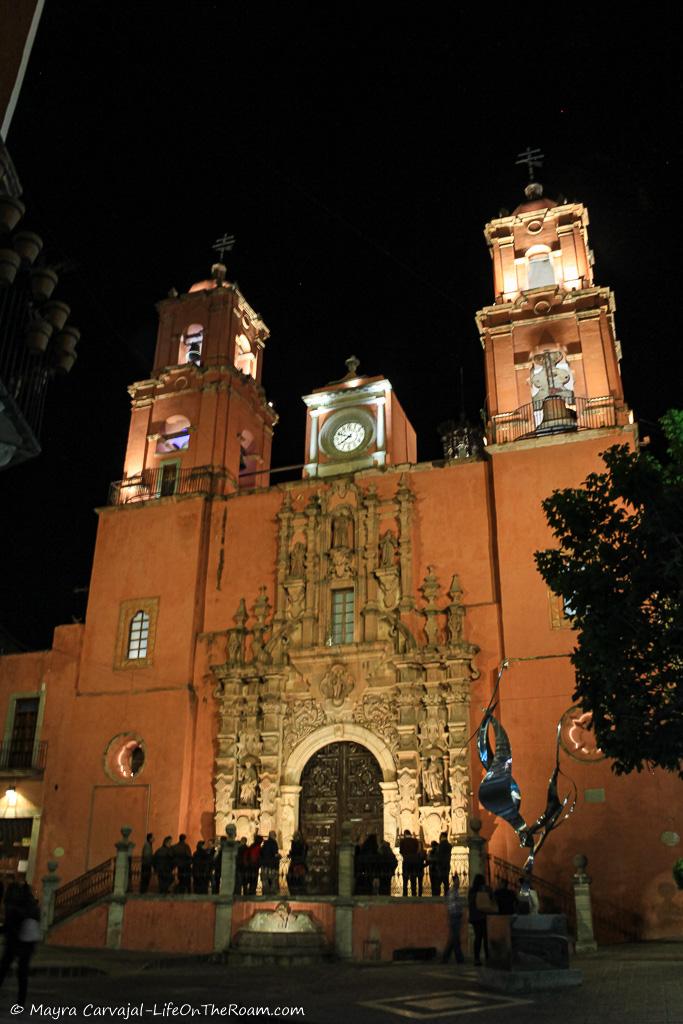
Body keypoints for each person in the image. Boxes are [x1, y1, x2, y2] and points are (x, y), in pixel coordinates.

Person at [0, 882, 40, 1007]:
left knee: (3, 969)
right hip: (28, 942)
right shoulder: (31, 906)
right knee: (22, 972)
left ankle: (21, 1001)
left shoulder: (12, 905)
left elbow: (8, 926)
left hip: (15, 941)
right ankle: (21, 1001)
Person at [468, 873, 492, 966]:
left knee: (478, 938)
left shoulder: (471, 891)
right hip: (483, 916)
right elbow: (490, 899)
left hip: (475, 918)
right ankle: (487, 957)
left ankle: (477, 958)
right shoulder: (485, 890)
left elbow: (471, 903)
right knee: (485, 937)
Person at [442, 873, 465, 964]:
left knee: (454, 938)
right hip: (454, 915)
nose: (459, 883)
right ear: (454, 881)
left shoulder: (455, 892)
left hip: (456, 915)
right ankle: (459, 958)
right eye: (458, 881)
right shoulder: (452, 892)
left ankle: (446, 957)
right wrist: (459, 910)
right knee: (455, 938)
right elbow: (453, 906)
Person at [399, 829, 421, 897]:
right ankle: (414, 893)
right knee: (413, 878)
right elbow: (418, 850)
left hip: (406, 861)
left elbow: (401, 851)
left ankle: (405, 894)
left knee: (405, 879)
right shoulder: (415, 840)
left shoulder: (402, 841)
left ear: (405, 834)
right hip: (414, 862)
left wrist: (405, 856)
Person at [260, 831, 280, 895]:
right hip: (272, 866)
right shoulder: (274, 843)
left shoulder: (265, 843)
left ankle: (265, 895)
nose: (276, 836)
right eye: (275, 835)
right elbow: (275, 854)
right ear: (273, 835)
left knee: (265, 883)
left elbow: (262, 853)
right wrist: (279, 856)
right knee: (273, 882)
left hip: (264, 865)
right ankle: (272, 896)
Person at [436, 831, 452, 897]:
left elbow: (439, 855)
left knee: (438, 882)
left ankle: (437, 895)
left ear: (442, 836)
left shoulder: (440, 845)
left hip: (440, 865)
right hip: (447, 864)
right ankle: (446, 895)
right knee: (446, 882)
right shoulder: (449, 845)